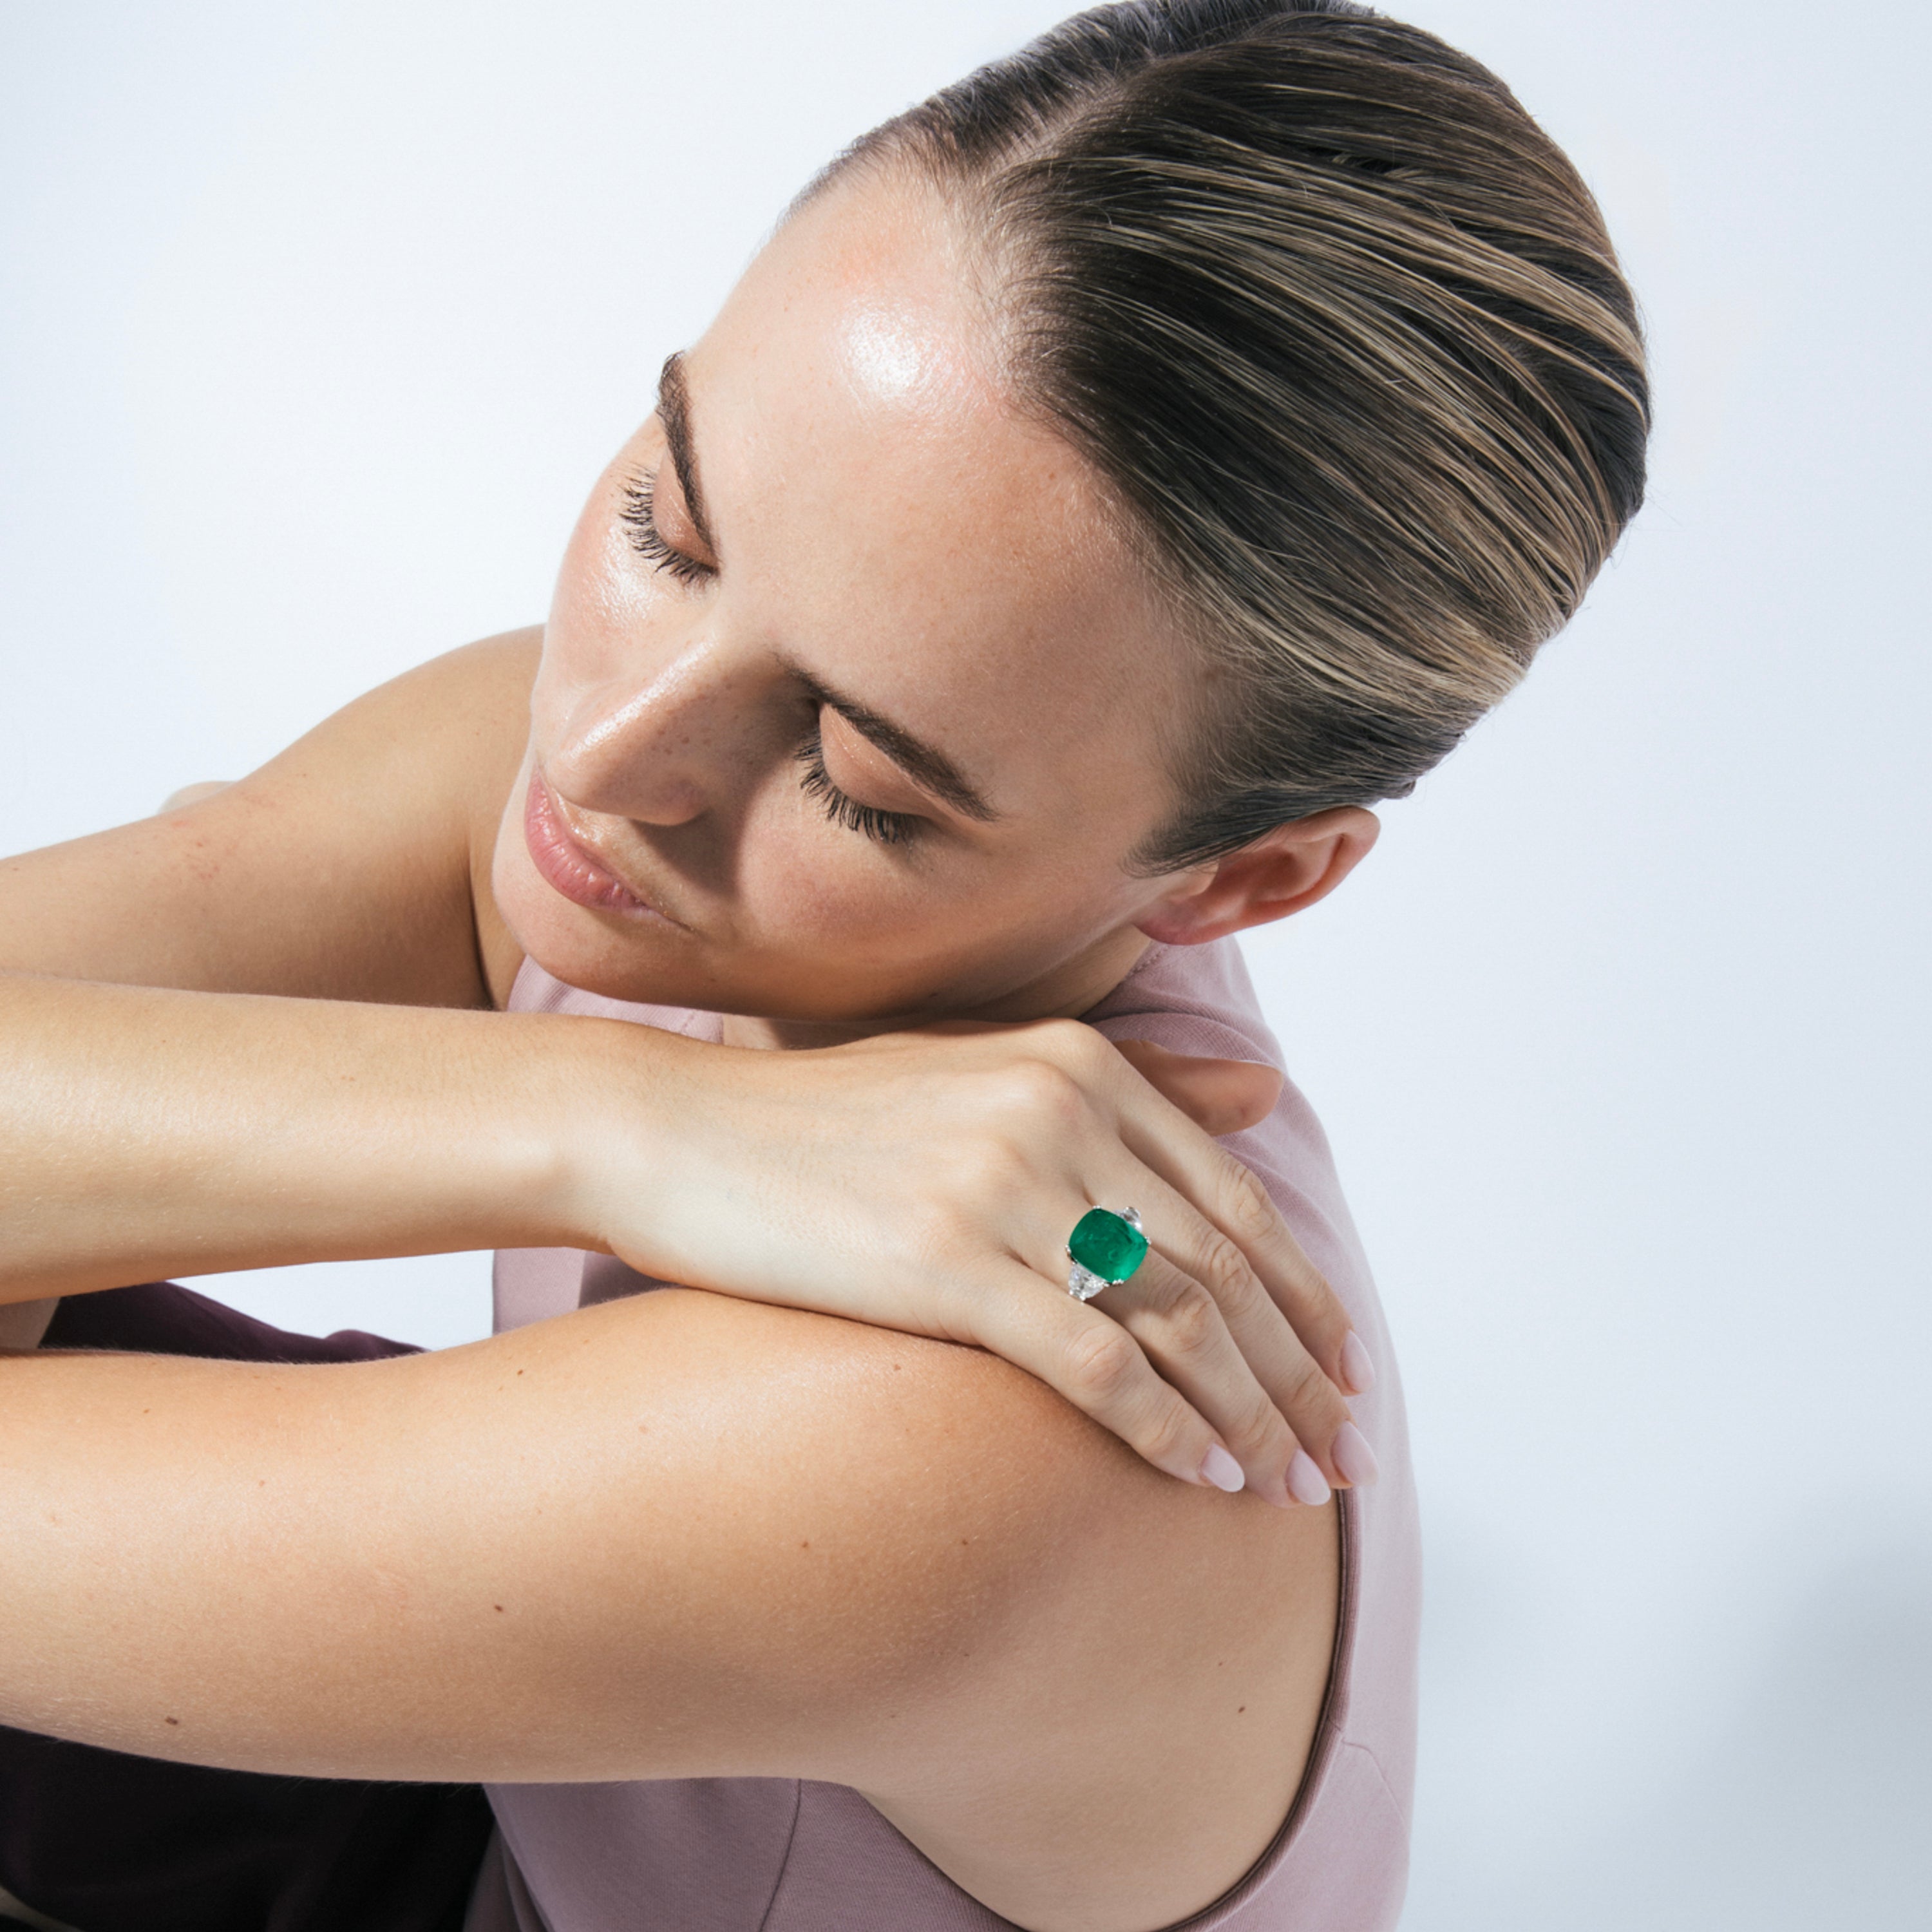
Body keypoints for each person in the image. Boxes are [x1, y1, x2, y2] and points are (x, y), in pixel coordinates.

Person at [0, 3, 1647, 1927]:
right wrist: (632, 1120)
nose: (612, 756)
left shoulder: (978, 1447)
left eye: (862, 780)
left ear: (1244, 877)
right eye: (668, 522)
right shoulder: (598, 791)